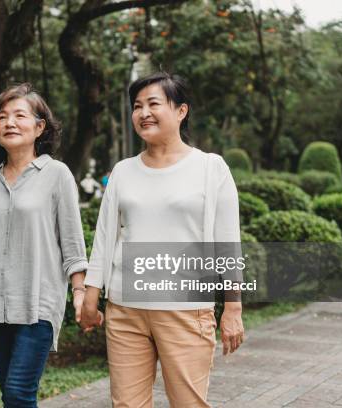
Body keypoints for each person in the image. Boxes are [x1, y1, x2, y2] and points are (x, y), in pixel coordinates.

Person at [81, 72, 244, 408]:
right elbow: (105, 236)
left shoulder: (210, 168)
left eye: (154, 104)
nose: (144, 113)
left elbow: (227, 242)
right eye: (137, 106)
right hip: (125, 310)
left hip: (185, 310)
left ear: (181, 110)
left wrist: (233, 306)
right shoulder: (124, 171)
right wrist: (90, 294)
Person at [0, 83, 97, 407]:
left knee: (19, 392)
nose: (9, 123)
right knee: (10, 395)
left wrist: (79, 295)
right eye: (2, 117)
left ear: (39, 126)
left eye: (20, 115)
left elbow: (73, 247)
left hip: (38, 302)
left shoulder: (57, 174)